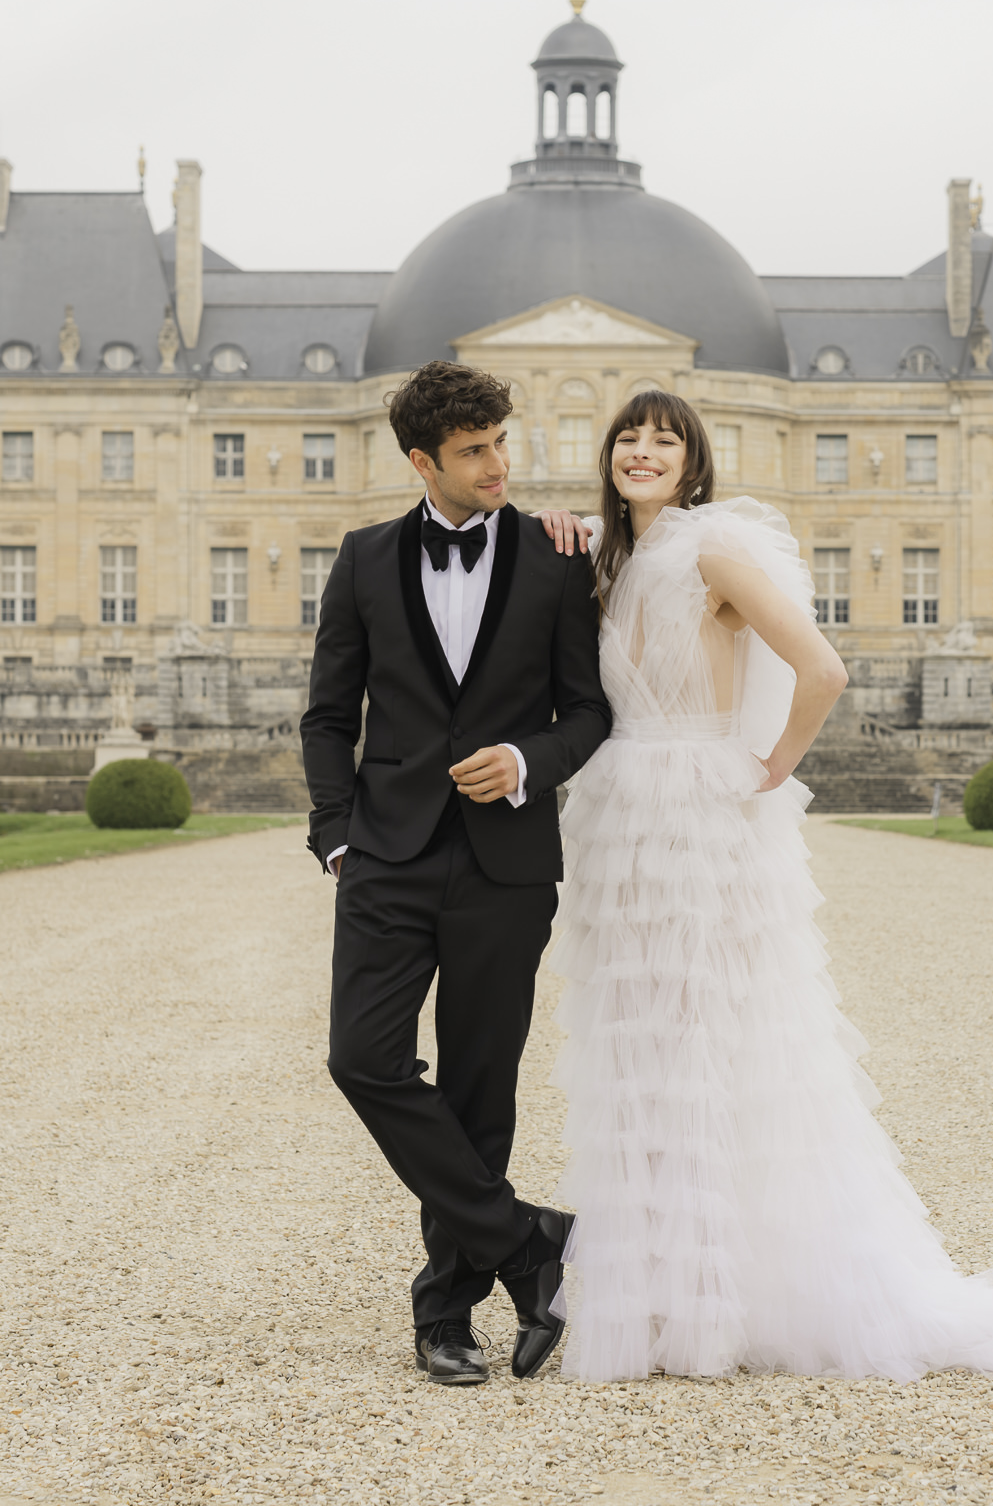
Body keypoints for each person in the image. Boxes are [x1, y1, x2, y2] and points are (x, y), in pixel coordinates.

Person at [540, 389, 993, 1382]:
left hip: (698, 817)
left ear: (693, 460)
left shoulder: (714, 552)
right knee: (639, 1053)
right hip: (622, 820)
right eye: (628, 435)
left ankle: (717, 1305)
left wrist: (768, 766)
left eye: (664, 438)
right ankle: (672, 1297)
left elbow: (821, 667)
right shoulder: (607, 562)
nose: (643, 450)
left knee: (711, 1047)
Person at [302, 360, 609, 1386]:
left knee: (481, 1089)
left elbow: (589, 712)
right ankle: (529, 1243)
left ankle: (444, 1315)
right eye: (474, 451)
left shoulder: (558, 556)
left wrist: (527, 763)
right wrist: (336, 831)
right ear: (422, 460)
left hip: (505, 861)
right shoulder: (364, 557)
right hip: (386, 853)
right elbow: (329, 715)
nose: (498, 466)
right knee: (363, 1058)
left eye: (502, 444)